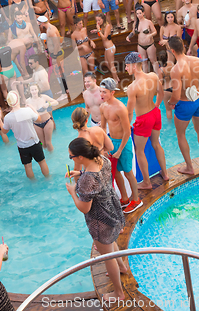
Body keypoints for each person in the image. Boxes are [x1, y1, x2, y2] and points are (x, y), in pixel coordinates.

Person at [66, 138, 126, 302]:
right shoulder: (103, 159)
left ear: (79, 157)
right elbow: (98, 180)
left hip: (100, 220)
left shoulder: (87, 180)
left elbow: (84, 207)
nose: (70, 159)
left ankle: (118, 293)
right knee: (111, 242)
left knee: (107, 257)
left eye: (71, 157)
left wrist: (72, 192)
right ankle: (122, 267)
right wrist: (80, 174)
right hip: (112, 208)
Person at [125, 52, 169, 189]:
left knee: (139, 150)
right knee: (156, 144)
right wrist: (155, 107)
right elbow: (161, 94)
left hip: (143, 119)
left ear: (133, 66)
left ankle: (146, 182)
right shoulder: (153, 76)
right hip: (155, 113)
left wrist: (125, 129)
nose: (126, 69)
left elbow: (129, 112)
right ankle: (165, 174)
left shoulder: (133, 87)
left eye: (126, 66)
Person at [168, 36, 199, 175]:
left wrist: (171, 103)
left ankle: (189, 167)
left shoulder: (175, 69)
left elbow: (177, 95)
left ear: (172, 51)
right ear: (184, 47)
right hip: (198, 100)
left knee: (180, 134)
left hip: (185, 104)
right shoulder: (197, 60)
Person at [100, 78, 141, 214]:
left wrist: (120, 150)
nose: (102, 94)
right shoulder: (103, 107)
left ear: (112, 92)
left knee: (128, 173)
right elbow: (103, 127)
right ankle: (124, 198)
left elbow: (127, 132)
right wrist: (104, 147)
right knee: (116, 173)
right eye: (100, 91)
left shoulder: (120, 108)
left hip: (124, 143)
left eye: (104, 92)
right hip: (112, 143)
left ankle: (136, 200)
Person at [0, 90, 49, 179]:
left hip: (22, 147)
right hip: (34, 143)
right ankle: (49, 179)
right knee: (42, 162)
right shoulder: (27, 111)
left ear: (8, 103)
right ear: (18, 99)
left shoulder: (8, 118)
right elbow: (39, 119)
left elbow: (4, 131)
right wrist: (33, 109)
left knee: (27, 166)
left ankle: (33, 184)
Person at [126, 5, 159, 75]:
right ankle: (145, 78)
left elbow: (155, 32)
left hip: (150, 44)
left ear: (143, 13)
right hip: (141, 45)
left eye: (140, 13)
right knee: (143, 62)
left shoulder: (148, 22)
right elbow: (133, 32)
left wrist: (150, 35)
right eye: (137, 13)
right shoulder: (135, 23)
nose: (139, 15)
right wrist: (128, 37)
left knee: (153, 61)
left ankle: (158, 77)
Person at [26, 83, 58, 152]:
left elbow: (56, 102)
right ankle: (47, 157)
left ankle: (53, 156)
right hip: (36, 124)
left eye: (35, 89)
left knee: (48, 143)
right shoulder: (28, 101)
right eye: (32, 90)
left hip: (47, 121)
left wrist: (48, 104)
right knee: (42, 144)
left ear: (38, 90)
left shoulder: (43, 97)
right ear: (29, 91)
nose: (34, 91)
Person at [95, 13, 119, 83]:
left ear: (103, 19)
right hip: (107, 48)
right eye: (97, 21)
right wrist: (97, 30)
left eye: (99, 20)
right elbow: (101, 34)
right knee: (106, 63)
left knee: (111, 65)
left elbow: (104, 37)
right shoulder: (102, 26)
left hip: (110, 48)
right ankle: (116, 76)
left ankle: (115, 79)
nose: (98, 22)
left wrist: (98, 30)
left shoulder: (108, 25)